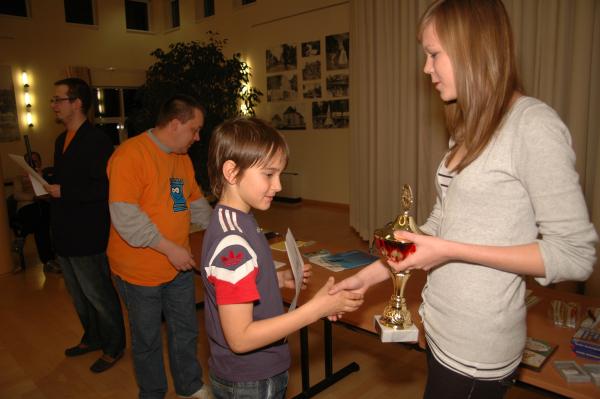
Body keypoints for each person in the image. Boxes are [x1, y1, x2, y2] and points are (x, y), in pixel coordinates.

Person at [330, 1, 598, 398]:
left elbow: (576, 255)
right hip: (441, 325)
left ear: (474, 49)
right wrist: (366, 278)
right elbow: (440, 224)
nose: (426, 68)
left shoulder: (533, 126)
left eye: (434, 53)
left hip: (477, 347)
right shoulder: (468, 128)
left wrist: (448, 250)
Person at [200, 117, 364, 399]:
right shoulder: (232, 245)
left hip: (253, 373)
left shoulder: (238, 219)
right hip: (251, 380)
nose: (278, 185)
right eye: (268, 174)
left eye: (280, 175)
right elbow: (240, 338)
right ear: (232, 172)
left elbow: (235, 286)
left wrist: (275, 279)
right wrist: (316, 309)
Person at [107, 94, 213, 399]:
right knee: (147, 339)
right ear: (176, 124)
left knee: (185, 330)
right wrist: (169, 248)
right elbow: (126, 218)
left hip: (178, 266)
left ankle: (189, 386)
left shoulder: (180, 157)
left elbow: (190, 201)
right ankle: (152, 393)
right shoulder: (130, 156)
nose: (197, 137)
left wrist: (221, 229)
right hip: (138, 272)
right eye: (194, 130)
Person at [46, 77, 126, 373]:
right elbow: (68, 180)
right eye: (53, 100)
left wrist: (64, 191)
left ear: (77, 103)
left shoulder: (97, 140)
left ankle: (114, 345)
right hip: (64, 230)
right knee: (78, 295)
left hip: (88, 232)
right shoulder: (59, 140)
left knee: (99, 294)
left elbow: (104, 189)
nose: (53, 105)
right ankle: (92, 337)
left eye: (58, 99)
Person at [12, 151, 60, 273]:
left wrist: (41, 177)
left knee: (41, 221)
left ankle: (21, 236)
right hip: (27, 208)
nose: (33, 163)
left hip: (43, 208)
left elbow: (52, 193)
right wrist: (33, 197)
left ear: (40, 162)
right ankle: (48, 261)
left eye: (35, 161)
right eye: (29, 161)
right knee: (40, 217)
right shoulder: (18, 178)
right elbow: (17, 195)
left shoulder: (46, 175)